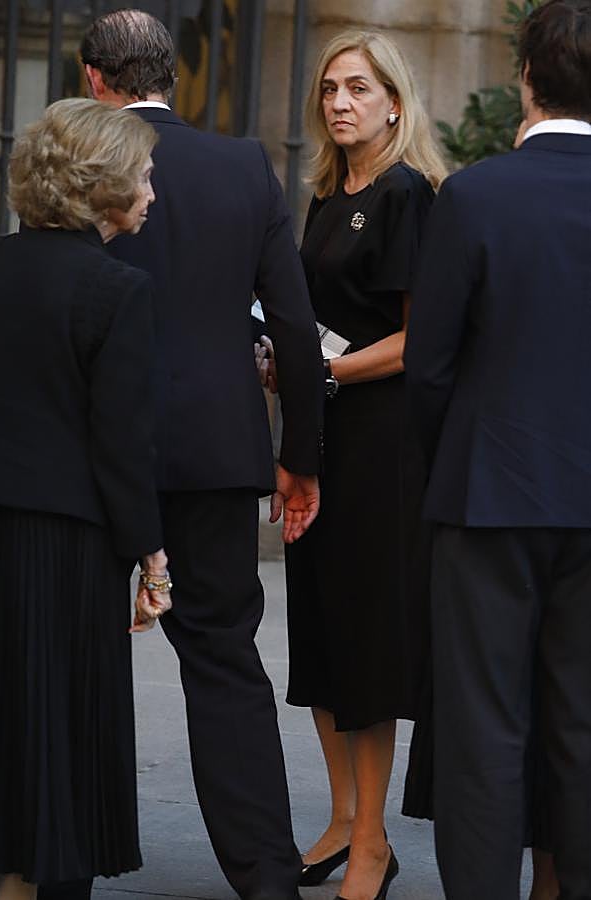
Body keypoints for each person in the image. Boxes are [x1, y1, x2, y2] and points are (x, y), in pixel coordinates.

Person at [79, 10, 324, 900]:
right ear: (173, 75)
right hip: (218, 450)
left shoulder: (78, 160)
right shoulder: (241, 165)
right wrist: (300, 454)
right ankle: (266, 875)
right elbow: (293, 325)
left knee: (73, 652)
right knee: (225, 661)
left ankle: (56, 855)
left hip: (90, 450)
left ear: (96, 80)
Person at [0, 98, 170, 900]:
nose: (151, 190)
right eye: (144, 175)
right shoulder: (117, 291)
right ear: (103, 186)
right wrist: (151, 555)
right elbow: (121, 444)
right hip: (66, 540)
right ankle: (36, 884)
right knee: (55, 722)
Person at [404, 0, 591, 897]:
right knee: (584, 724)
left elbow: (429, 367)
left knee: (482, 730)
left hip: (487, 493)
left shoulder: (475, 194)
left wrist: (452, 464)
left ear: (525, 77)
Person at [256, 29, 446, 900]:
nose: (339, 102)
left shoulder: (406, 193)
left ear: (395, 102)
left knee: (367, 649)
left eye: (359, 88)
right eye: (330, 87)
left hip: (379, 445)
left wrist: (322, 368)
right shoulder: (330, 196)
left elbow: (420, 339)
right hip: (321, 434)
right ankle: (339, 817)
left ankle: (372, 840)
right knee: (323, 638)